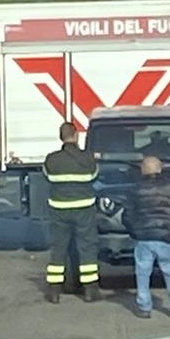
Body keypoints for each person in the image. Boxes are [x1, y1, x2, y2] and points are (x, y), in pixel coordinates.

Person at [41, 121, 101, 304]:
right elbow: (94, 175)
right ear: (76, 136)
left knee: (58, 248)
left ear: (61, 137)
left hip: (59, 210)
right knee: (86, 247)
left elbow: (47, 176)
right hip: (84, 210)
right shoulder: (88, 158)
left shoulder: (51, 159)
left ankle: (54, 291)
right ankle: (90, 289)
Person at [123, 155, 170, 319]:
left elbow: (128, 215)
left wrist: (134, 231)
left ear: (143, 169)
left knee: (143, 273)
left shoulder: (135, 189)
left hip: (144, 238)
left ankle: (144, 307)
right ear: (160, 168)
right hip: (166, 236)